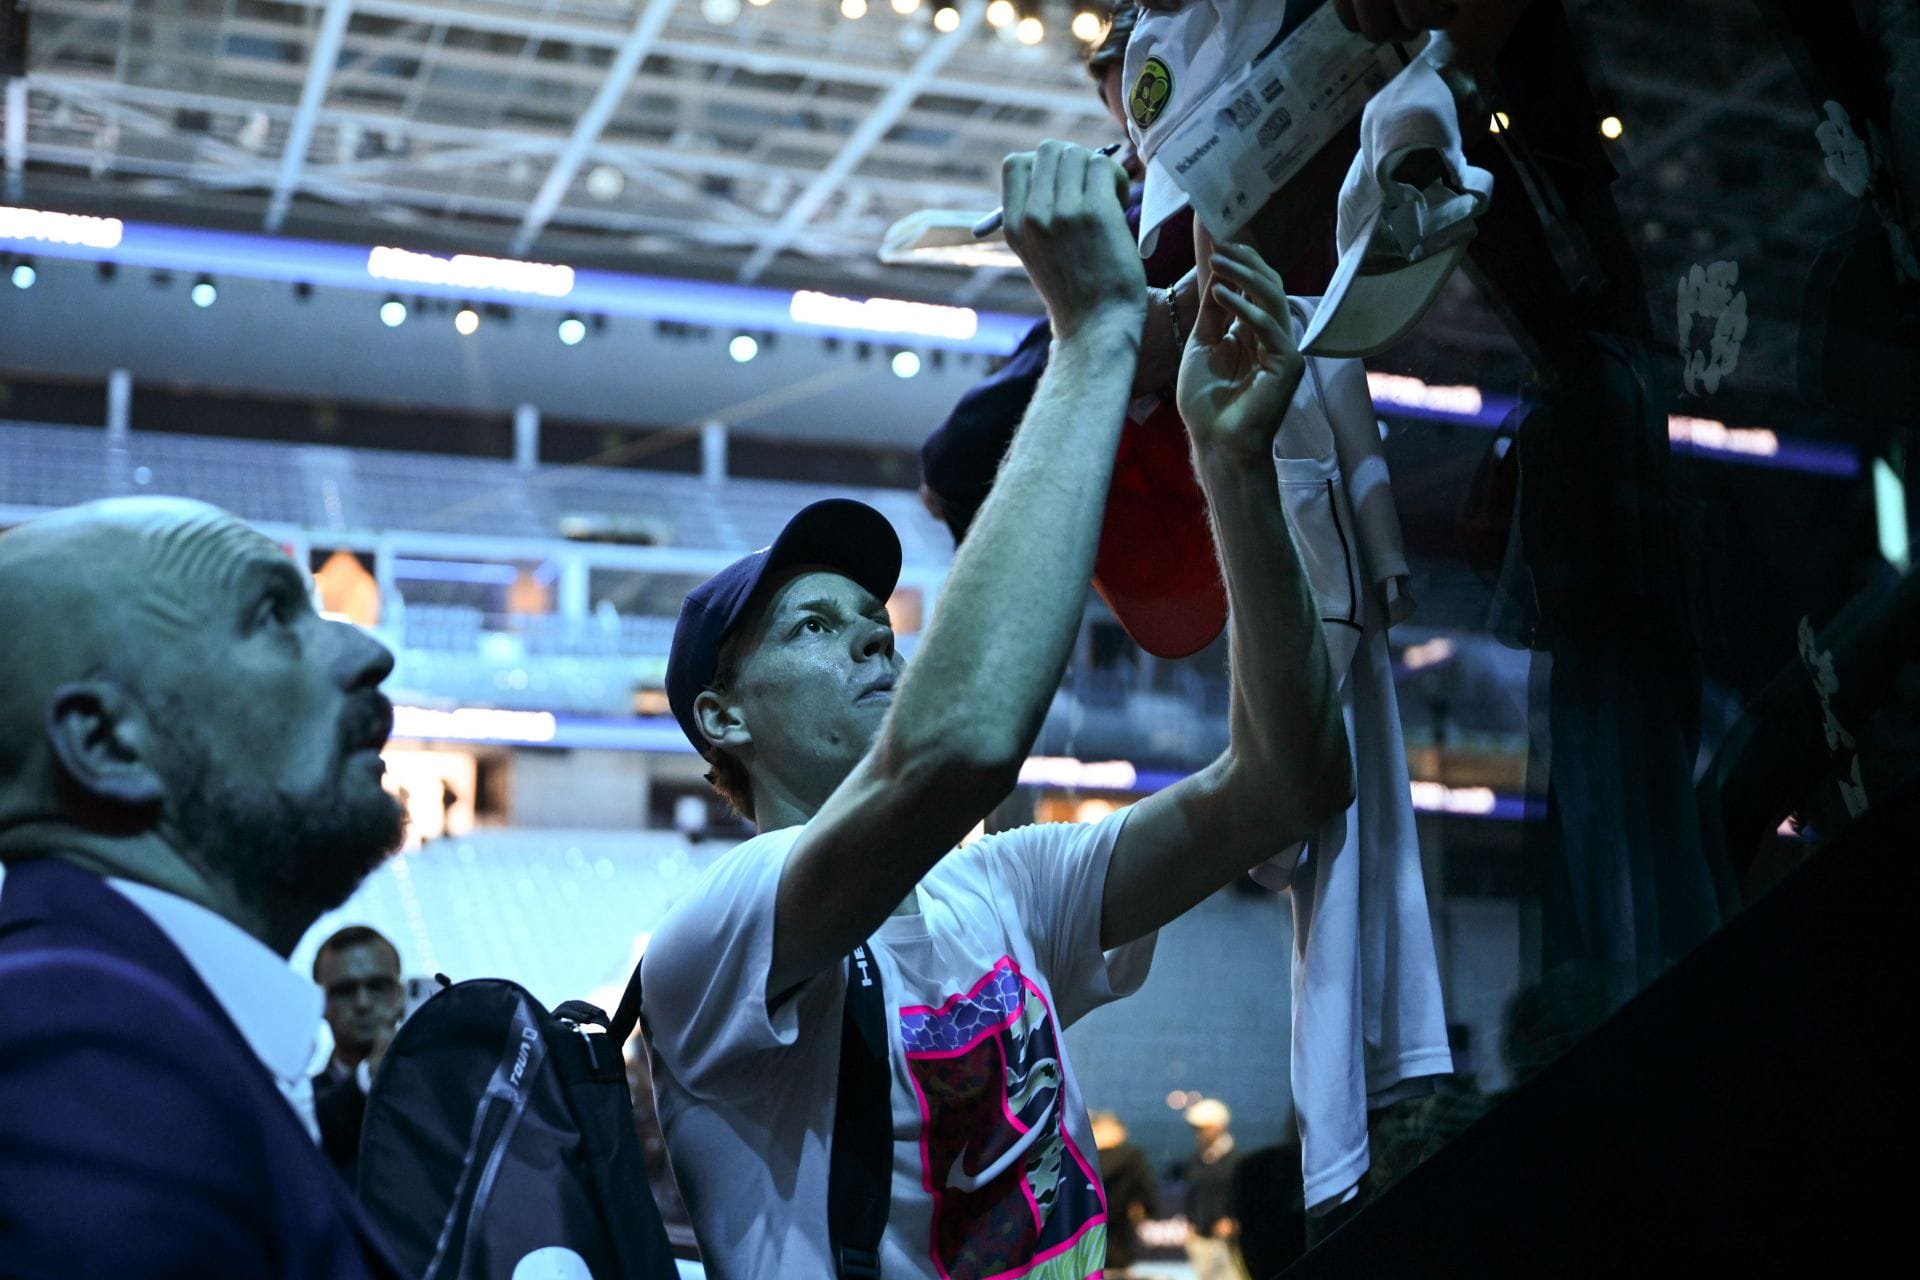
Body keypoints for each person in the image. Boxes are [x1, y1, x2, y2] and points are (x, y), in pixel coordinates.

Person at [641, 139, 1353, 1278]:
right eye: (813, 625)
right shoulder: (726, 923)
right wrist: (1092, 339)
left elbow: (1287, 784)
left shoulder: (997, 888)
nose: (874, 630)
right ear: (723, 718)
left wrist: (1233, 462)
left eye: (874, 615)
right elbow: (961, 745)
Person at [0, 497, 409, 1277]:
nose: (366, 651)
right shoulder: (76, 1052)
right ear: (108, 743)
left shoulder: (123, 1025)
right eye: (272, 616)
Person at [311, 924, 407, 1181]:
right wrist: (369, 1077)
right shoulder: (300, 1104)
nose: (362, 1003)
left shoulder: (438, 1086)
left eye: (377, 986)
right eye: (344, 990)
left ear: (400, 994)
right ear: (319, 1003)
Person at [1180, 1098, 1245, 1280]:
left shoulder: (1237, 1162)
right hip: (1201, 1239)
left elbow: (1243, 1197)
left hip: (1228, 1243)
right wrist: (1191, 1224)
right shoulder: (1196, 1160)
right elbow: (1192, 1194)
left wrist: (1233, 1220)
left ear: (1219, 1126)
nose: (1198, 1134)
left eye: (1203, 1128)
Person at [1091, 1110, 1161, 1276]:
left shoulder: (1077, 1158)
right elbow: (1148, 1198)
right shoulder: (1131, 1157)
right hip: (1112, 1249)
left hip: (1102, 1248)